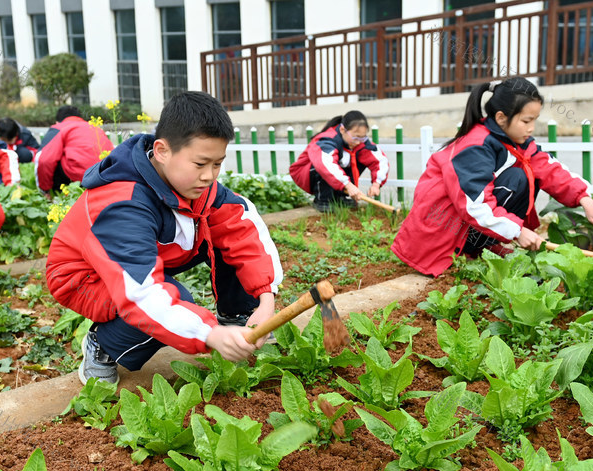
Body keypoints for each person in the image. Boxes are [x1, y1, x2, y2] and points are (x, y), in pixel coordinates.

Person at [46, 91, 282, 385]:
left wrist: (265, 301)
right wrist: (208, 333)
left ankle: (239, 318)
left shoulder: (194, 184)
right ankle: (103, 346)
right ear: (161, 151)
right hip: (86, 276)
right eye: (200, 164)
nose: (210, 176)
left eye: (217, 164)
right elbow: (141, 295)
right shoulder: (121, 204)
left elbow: (242, 223)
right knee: (170, 301)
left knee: (228, 228)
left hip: (148, 254)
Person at [391, 78, 593, 276]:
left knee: (521, 176)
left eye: (534, 120)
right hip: (441, 232)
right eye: (526, 121)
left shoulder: (512, 141)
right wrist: (518, 231)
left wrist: (586, 201)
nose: (531, 128)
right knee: (517, 178)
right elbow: (475, 205)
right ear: (501, 118)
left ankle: (481, 246)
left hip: (463, 224)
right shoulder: (474, 147)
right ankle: (469, 250)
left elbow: (549, 168)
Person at [289, 110, 389, 212]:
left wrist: (376, 184)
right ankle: (323, 200)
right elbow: (326, 164)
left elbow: (380, 160)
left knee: (360, 158)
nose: (358, 141)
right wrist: (348, 185)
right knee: (325, 165)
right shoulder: (327, 140)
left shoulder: (361, 142)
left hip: (336, 176)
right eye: (355, 137)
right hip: (306, 173)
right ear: (342, 130)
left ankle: (339, 197)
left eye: (362, 137)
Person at [35, 106, 114, 193]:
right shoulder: (96, 128)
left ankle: (59, 195)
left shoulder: (59, 128)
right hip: (105, 177)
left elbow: (45, 160)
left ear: (57, 122)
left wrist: (45, 190)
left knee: (51, 155)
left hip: (78, 180)